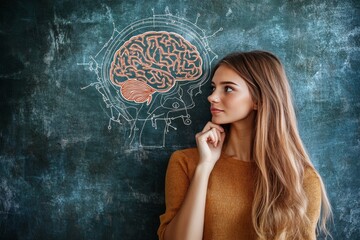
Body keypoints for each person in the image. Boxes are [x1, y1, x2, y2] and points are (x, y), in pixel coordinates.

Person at [157, 50, 332, 240]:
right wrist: (205, 167)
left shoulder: (301, 180)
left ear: (258, 99)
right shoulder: (186, 163)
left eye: (228, 88)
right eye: (213, 88)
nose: (212, 97)